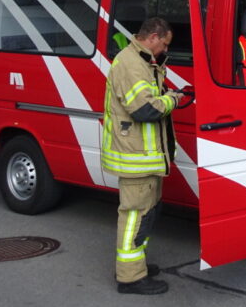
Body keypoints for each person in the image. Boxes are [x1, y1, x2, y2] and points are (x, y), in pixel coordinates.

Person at [100, 17, 193, 295]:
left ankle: (136, 265)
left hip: (145, 157)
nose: (164, 50)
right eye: (163, 44)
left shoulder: (142, 62)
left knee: (146, 215)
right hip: (135, 158)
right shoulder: (130, 64)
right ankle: (130, 278)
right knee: (135, 218)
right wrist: (175, 99)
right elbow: (145, 110)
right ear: (153, 37)